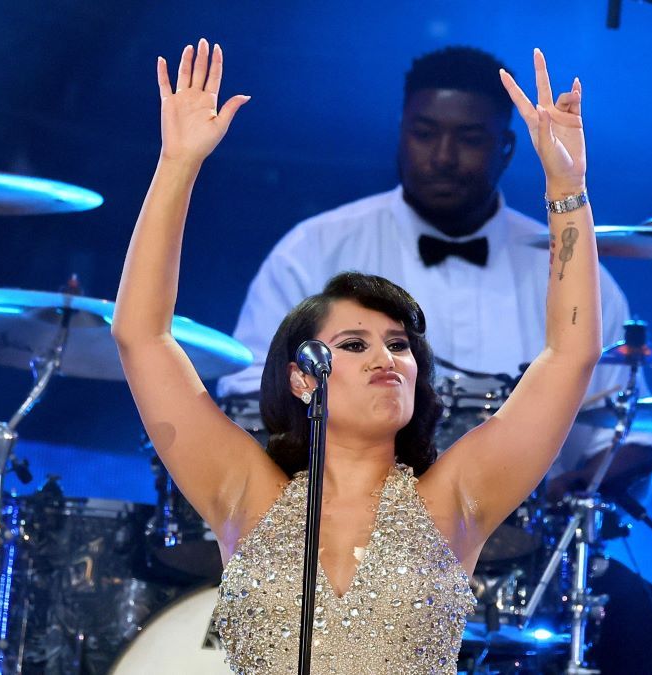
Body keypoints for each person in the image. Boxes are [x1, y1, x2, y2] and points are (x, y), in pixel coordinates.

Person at [113, 38, 599, 673]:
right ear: (301, 378)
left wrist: (567, 186)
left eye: (400, 345)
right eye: (354, 344)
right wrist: (176, 164)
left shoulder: (453, 502)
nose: (386, 357)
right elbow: (142, 337)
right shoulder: (243, 494)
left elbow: (570, 356)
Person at [217, 46, 652, 673]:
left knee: (638, 614)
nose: (443, 157)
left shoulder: (461, 491)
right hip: (316, 547)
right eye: (424, 133)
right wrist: (176, 165)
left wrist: (568, 190)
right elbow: (224, 385)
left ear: (506, 149)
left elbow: (585, 371)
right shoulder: (313, 250)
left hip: (531, 547)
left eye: (468, 138)